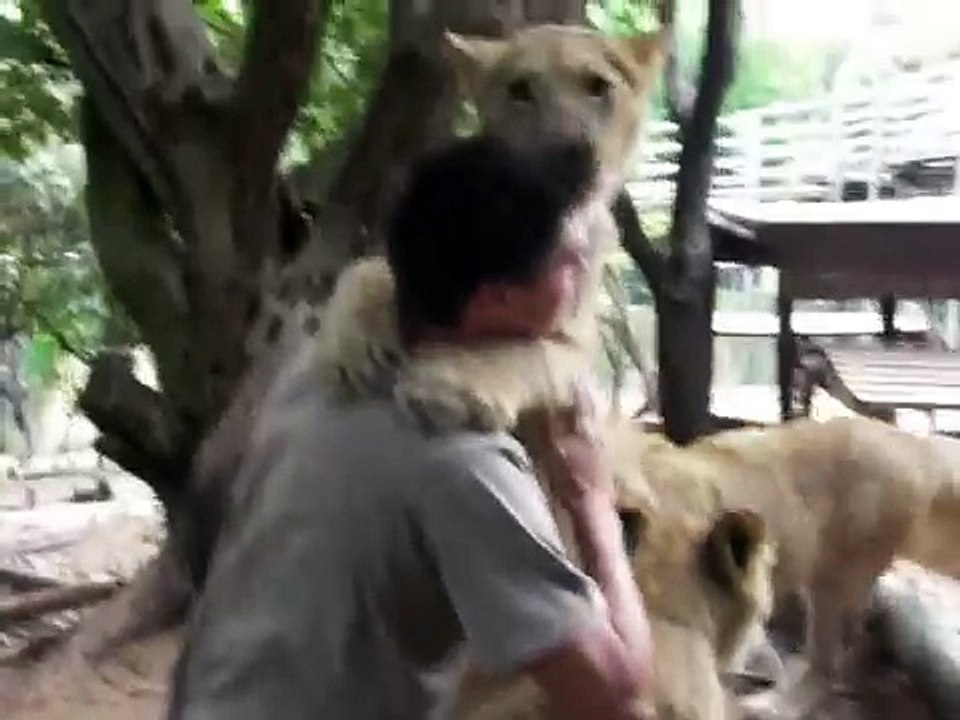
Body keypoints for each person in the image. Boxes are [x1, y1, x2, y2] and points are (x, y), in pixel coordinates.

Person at [166, 135, 653, 720]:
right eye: (566, 262)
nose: (583, 273)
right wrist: (592, 502)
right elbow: (612, 692)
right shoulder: (460, 459)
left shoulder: (316, 372)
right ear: (496, 300)